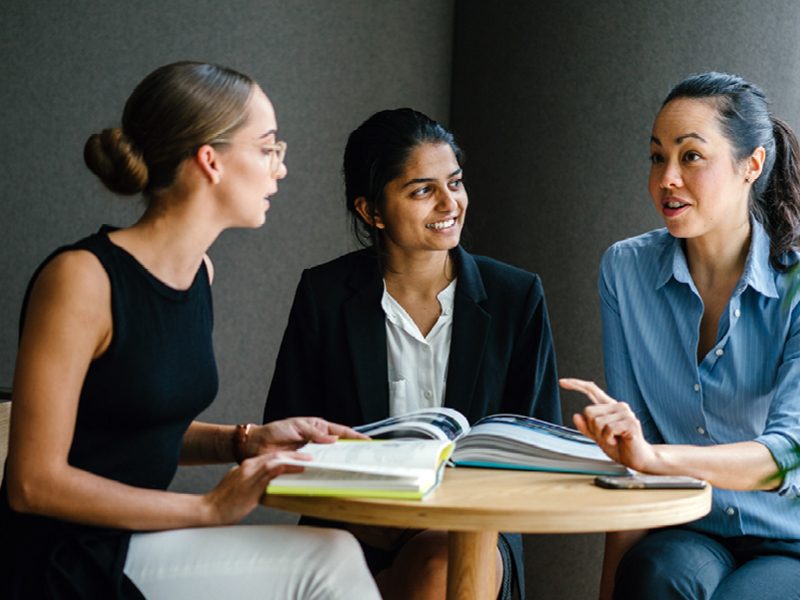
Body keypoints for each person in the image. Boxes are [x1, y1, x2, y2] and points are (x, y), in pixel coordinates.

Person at [0, 61, 381, 600]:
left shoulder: (199, 272)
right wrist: (208, 509)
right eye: (269, 148)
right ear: (211, 161)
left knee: (332, 553)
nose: (280, 169)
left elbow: (131, 428)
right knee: (330, 559)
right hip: (63, 559)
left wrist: (244, 441)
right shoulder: (81, 280)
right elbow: (32, 483)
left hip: (138, 542)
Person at [264, 107, 562, 600]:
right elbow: (286, 437)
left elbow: (538, 445)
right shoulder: (324, 294)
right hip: (355, 526)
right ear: (371, 211)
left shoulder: (517, 296)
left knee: (436, 567)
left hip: (471, 532)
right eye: (423, 190)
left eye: (456, 182)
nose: (450, 203)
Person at [561, 71, 800, 600]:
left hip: (791, 538)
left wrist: (653, 459)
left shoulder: (797, 285)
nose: (667, 178)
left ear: (751, 165)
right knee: (652, 577)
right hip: (691, 527)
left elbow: (786, 455)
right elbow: (632, 450)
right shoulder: (624, 271)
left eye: (691, 156)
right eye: (656, 157)